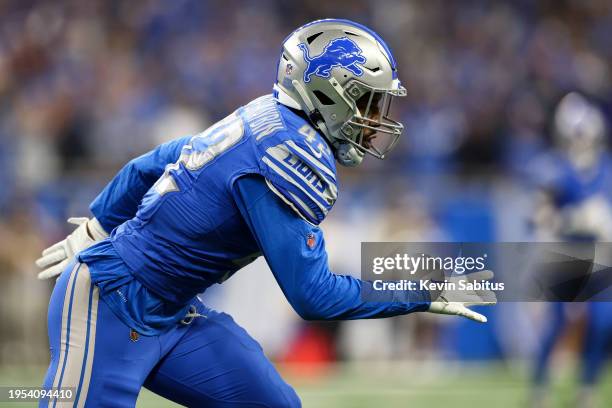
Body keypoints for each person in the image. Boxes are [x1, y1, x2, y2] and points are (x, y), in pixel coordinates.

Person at [36, 19, 494, 407]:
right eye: (367, 101)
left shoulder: (264, 117)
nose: (374, 118)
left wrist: (98, 220)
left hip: (173, 314)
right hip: (112, 303)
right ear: (327, 93)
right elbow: (314, 296)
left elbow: (154, 162)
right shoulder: (285, 150)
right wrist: (418, 290)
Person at [529, 92, 612, 408]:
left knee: (604, 322)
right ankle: (540, 387)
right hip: (567, 253)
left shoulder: (606, 167)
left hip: (602, 254)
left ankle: (587, 388)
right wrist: (574, 218)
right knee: (558, 322)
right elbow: (540, 215)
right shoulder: (557, 168)